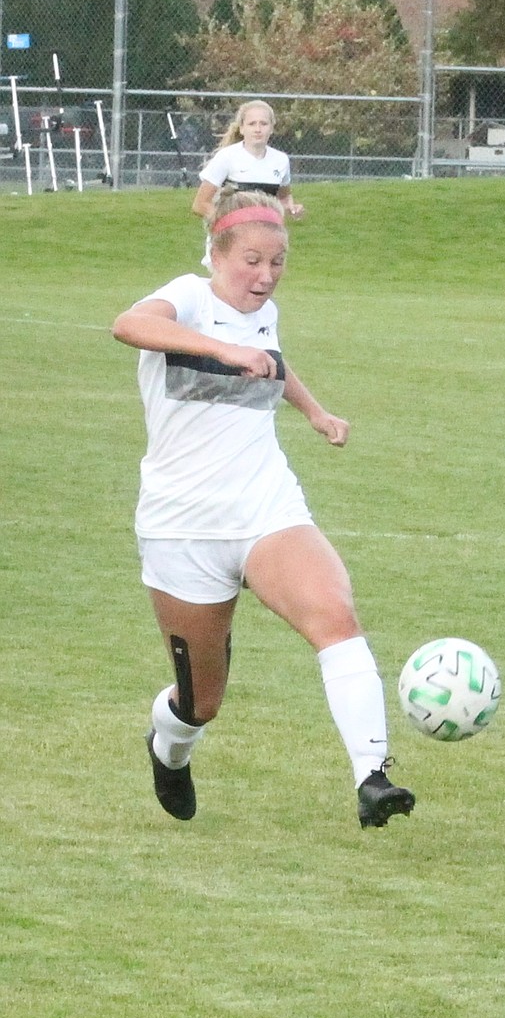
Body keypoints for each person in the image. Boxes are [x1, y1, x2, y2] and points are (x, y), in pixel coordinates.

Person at [111, 190, 413, 829]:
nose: (265, 275)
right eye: (252, 260)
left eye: (277, 262)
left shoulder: (263, 312)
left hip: (264, 505)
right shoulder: (188, 297)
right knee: (201, 701)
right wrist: (222, 351)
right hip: (180, 524)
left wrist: (314, 411)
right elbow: (128, 325)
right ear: (217, 252)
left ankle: (373, 776)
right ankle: (169, 749)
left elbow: (272, 361)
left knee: (334, 615)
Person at [192, 100, 304, 222]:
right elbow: (200, 204)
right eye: (252, 124)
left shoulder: (281, 160)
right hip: (231, 236)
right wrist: (233, 223)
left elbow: (284, 199)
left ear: (271, 128)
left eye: (264, 124)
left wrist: (292, 209)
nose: (258, 129)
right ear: (242, 128)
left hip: (264, 233)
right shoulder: (227, 156)